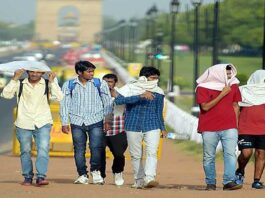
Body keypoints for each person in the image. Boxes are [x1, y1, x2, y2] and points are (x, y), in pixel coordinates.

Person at [1, 68, 63, 186]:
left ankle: (41, 176)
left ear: (43, 73)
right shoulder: (20, 83)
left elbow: (59, 97)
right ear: (27, 72)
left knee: (43, 149)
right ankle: (28, 177)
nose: (35, 74)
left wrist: (53, 82)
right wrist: (14, 78)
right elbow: (6, 95)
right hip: (23, 122)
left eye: (38, 72)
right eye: (32, 71)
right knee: (25, 150)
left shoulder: (47, 83)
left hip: (43, 121)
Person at [60, 60, 112, 185]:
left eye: (93, 71)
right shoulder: (69, 85)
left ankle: (95, 171)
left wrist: (107, 120)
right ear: (79, 72)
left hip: (96, 120)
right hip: (77, 121)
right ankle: (82, 174)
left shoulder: (99, 84)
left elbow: (107, 102)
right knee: (79, 149)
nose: (92, 74)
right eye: (89, 71)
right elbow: (64, 104)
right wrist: (64, 122)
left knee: (96, 148)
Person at [113, 66, 166, 189]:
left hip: (152, 125)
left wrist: (162, 127)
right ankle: (138, 180)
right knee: (136, 155)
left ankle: (149, 178)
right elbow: (119, 101)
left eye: (157, 78)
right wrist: (140, 96)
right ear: (143, 78)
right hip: (132, 125)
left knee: (152, 152)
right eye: (152, 78)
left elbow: (159, 111)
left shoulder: (159, 92)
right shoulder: (130, 88)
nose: (155, 80)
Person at [196, 64, 242, 191]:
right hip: (209, 127)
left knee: (230, 154)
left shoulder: (233, 85)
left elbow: (235, 105)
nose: (229, 76)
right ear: (217, 73)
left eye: (230, 73)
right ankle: (210, 183)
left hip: (230, 126)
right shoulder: (202, 88)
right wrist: (222, 94)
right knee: (209, 156)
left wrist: (236, 126)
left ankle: (228, 182)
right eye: (226, 74)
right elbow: (205, 107)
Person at [235, 70, 265, 189]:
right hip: (245, 127)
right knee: (246, 153)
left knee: (261, 154)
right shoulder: (243, 91)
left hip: (263, 128)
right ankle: (240, 171)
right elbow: (235, 107)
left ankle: (256, 181)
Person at [102, 73, 127, 186]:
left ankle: (118, 172)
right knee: (98, 154)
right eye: (105, 82)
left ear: (115, 83)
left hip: (118, 129)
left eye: (110, 82)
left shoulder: (122, 94)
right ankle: (100, 176)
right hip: (99, 129)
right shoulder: (96, 93)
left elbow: (127, 104)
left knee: (119, 154)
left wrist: (115, 96)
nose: (107, 84)